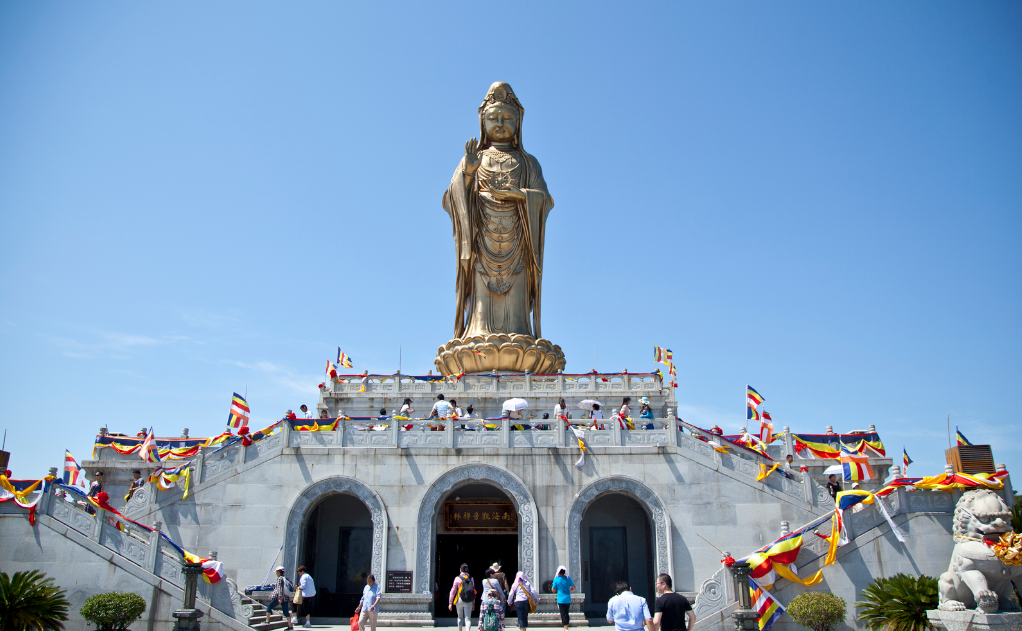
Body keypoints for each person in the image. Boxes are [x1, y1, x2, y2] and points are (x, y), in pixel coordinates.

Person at [449, 563, 476, 631]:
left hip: (459, 600)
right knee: (468, 618)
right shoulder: (471, 578)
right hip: (469, 600)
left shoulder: (457, 578)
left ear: (460, 570)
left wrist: (450, 602)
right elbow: (473, 591)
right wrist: (473, 602)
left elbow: (453, 591)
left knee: (460, 617)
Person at [552, 566, 576, 630]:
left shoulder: (556, 579)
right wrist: (569, 590)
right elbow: (574, 587)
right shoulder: (568, 578)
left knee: (563, 614)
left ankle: (565, 628)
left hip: (561, 599)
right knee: (566, 613)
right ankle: (567, 626)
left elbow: (553, 590)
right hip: (568, 599)